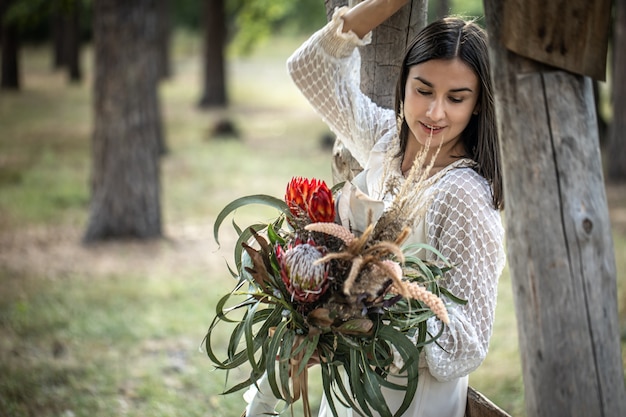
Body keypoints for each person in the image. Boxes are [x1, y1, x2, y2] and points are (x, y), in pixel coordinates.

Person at [245, 0, 506, 416]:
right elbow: (309, 67)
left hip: (410, 402)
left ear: (477, 105)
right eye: (423, 90)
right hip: (350, 392)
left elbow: (468, 341)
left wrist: (352, 324)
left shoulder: (463, 195)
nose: (435, 112)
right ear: (403, 85)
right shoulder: (386, 140)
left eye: (456, 98)